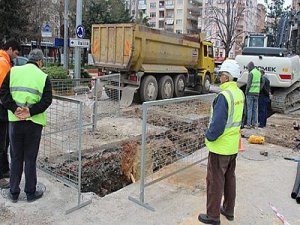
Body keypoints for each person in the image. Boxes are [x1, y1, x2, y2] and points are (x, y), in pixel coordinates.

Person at [0, 49, 52, 203]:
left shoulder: (13, 71)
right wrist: (30, 111)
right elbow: (47, 100)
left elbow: (3, 92)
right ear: (40, 61)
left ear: (29, 59)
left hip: (15, 122)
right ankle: (30, 192)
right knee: (30, 158)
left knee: (15, 157)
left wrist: (14, 108)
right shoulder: (43, 77)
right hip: (34, 124)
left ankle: (14, 192)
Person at [198, 59, 245, 225]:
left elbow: (217, 125)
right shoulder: (239, 94)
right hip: (232, 146)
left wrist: (208, 136)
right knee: (230, 179)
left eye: (222, 75)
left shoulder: (224, 96)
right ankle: (228, 210)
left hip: (220, 147)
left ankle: (213, 216)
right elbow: (241, 119)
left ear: (226, 76)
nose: (220, 77)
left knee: (215, 182)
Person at [0, 39, 21, 189]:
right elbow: (4, 91)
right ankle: (1, 177)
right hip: (1, 110)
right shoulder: (3, 63)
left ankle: (5, 170)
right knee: (1, 143)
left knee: (5, 141)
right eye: (16, 53)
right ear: (10, 49)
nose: (16, 56)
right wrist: (14, 107)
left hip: (3, 110)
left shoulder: (4, 61)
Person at [245, 61, 261, 128]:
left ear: (250, 67)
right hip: (257, 93)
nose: (248, 69)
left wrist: (246, 92)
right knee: (255, 109)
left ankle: (248, 124)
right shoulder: (258, 73)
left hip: (250, 93)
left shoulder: (251, 73)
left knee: (249, 109)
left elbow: (248, 84)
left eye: (248, 68)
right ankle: (254, 124)